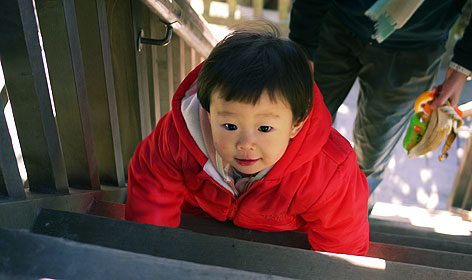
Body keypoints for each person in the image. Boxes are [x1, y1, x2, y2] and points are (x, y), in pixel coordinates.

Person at [124, 26, 370, 256]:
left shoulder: (328, 171)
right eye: (230, 126)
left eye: (264, 128)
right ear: (209, 113)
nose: (245, 143)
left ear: (296, 123)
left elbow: (342, 242)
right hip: (199, 220)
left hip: (282, 243)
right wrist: (152, 252)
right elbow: (153, 185)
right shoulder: (180, 136)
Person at [289, 0, 472, 195]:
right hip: (334, 23)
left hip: (415, 49)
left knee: (373, 152)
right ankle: (289, 198)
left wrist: (463, 68)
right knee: (301, 127)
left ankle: (354, 211)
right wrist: (303, 43)